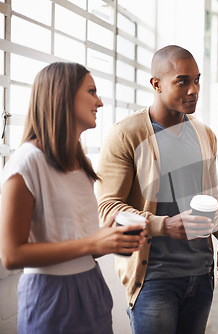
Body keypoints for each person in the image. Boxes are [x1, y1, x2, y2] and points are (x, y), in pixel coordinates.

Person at [96, 45, 218, 334]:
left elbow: (212, 194)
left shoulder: (204, 134)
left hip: (200, 275)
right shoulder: (126, 133)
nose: (194, 90)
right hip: (153, 279)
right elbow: (109, 209)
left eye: (197, 80)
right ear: (156, 84)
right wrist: (164, 225)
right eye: (182, 81)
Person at [0, 62, 146, 334]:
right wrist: (92, 241)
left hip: (91, 286)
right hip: (50, 296)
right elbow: (11, 255)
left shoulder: (80, 164)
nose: (99, 102)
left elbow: (76, 242)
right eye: (91, 91)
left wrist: (106, 240)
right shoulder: (26, 163)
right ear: (63, 96)